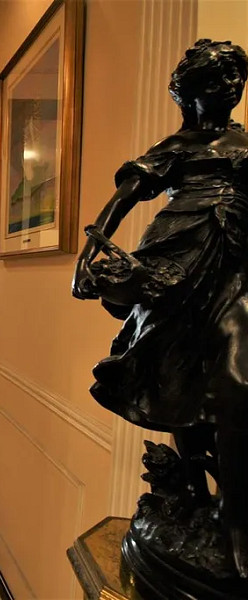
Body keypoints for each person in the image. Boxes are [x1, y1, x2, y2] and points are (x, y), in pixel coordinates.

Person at [72, 39, 248, 577]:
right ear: (189, 95)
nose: (227, 92)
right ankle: (196, 493)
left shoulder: (245, 144)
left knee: (237, 379)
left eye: (233, 82)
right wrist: (89, 252)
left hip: (233, 265)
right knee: (176, 372)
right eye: (212, 85)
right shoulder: (178, 144)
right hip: (176, 260)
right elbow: (127, 193)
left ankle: (236, 519)